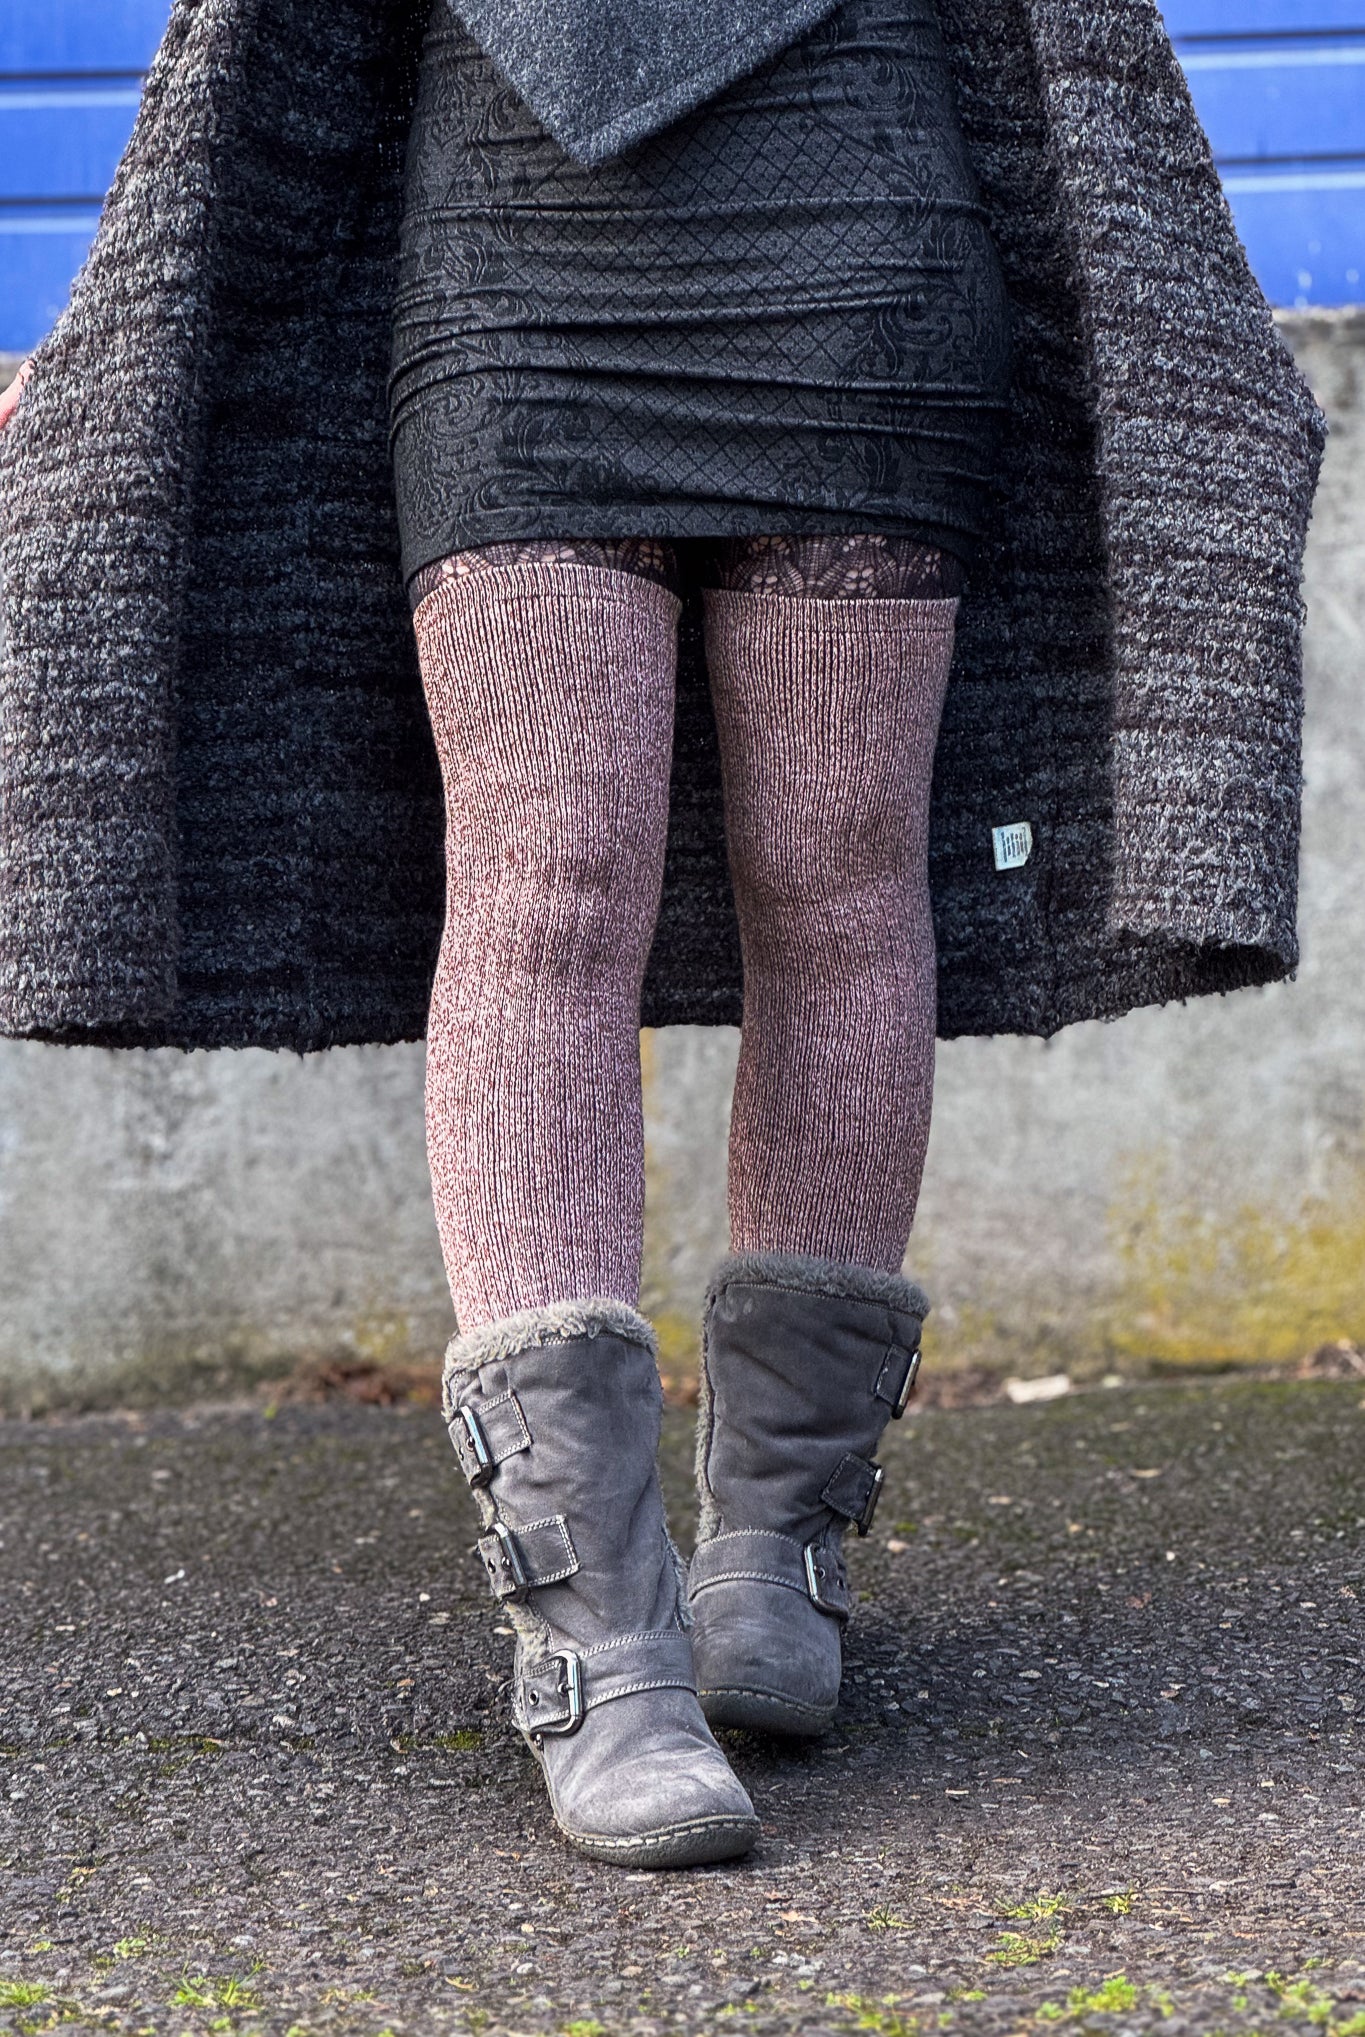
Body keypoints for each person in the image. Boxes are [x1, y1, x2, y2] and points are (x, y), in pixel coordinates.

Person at [0, 0, 1324, 1872]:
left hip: (861, 231)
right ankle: (596, 1633)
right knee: (542, 877)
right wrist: (118, 335)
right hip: (514, 259)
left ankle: (777, 1555)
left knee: (841, 872)